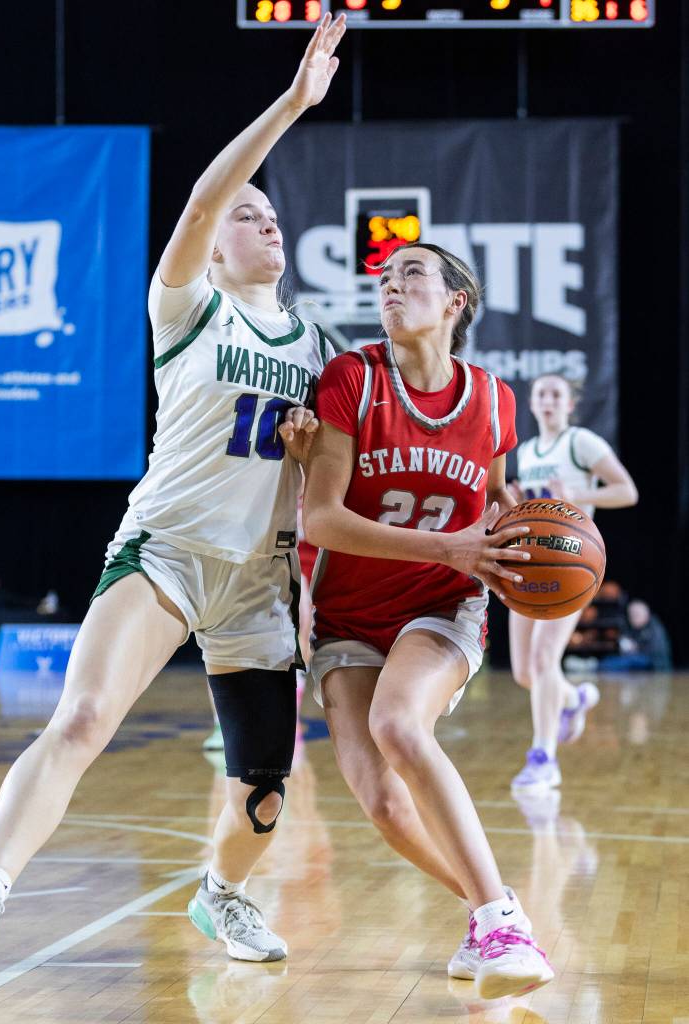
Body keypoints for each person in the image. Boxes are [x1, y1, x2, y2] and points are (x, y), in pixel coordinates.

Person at [0, 12, 346, 980]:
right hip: (167, 548)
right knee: (83, 716)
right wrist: (293, 106)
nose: (263, 223)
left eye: (272, 217)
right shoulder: (188, 306)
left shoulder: (321, 352)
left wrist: (311, 465)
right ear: (214, 246)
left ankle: (221, 894)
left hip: (258, 582)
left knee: (262, 790)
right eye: (246, 217)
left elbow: (329, 483)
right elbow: (209, 200)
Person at [303, 242, 554, 1000]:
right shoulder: (353, 379)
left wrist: (535, 542)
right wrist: (452, 541)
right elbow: (320, 518)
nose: (391, 285)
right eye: (383, 277)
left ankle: (500, 919)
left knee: (401, 726)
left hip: (440, 603)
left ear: (455, 303)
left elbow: (500, 496)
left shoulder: (494, 399)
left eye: (411, 273)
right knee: (380, 801)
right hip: (346, 615)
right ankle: (492, 915)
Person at [509, 374, 638, 791]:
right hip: (530, 564)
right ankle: (574, 697)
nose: (548, 400)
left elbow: (626, 490)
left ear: (569, 405)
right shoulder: (526, 452)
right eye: (541, 394)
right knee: (525, 672)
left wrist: (580, 492)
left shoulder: (581, 443)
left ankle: (543, 758)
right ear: (532, 403)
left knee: (547, 658)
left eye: (556, 394)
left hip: (571, 567)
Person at [620, 599, 672, 671]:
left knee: (622, 663)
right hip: (643, 660)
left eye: (636, 615)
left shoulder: (654, 627)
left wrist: (635, 647)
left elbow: (655, 651)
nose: (632, 618)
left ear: (646, 614)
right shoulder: (634, 628)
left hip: (655, 663)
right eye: (631, 615)